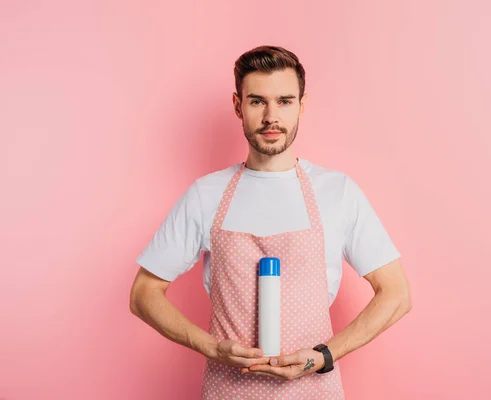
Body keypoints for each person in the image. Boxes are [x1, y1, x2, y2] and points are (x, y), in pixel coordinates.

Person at [129, 45, 412, 399]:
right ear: (238, 106)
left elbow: (397, 294)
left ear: (301, 106)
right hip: (229, 390)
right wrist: (211, 347)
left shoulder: (337, 192)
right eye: (257, 101)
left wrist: (323, 356)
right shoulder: (206, 194)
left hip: (314, 390)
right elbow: (143, 294)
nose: (271, 117)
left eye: (285, 101)